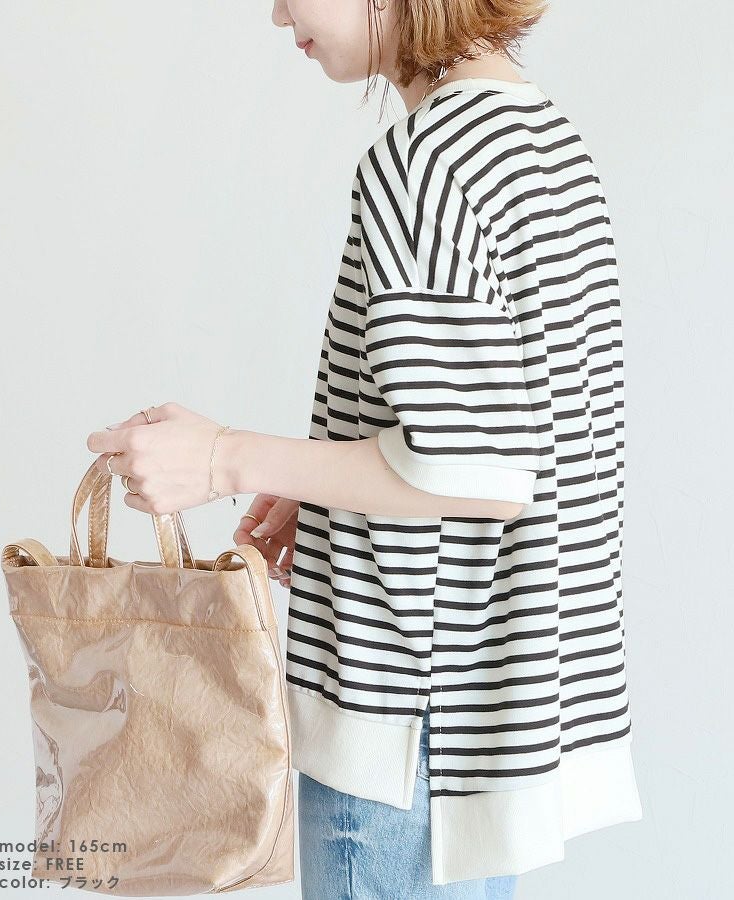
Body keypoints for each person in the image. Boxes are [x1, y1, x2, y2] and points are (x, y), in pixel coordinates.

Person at [87, 1, 643, 897]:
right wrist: (329, 489)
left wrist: (225, 458)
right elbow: (507, 435)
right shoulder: (545, 142)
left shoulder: (425, 162)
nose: (277, 13)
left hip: (408, 729)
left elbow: (478, 473)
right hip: (490, 720)